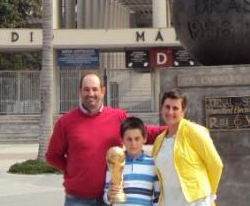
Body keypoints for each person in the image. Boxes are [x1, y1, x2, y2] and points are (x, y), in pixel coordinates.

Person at [46, 72, 164, 206]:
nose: (90, 93)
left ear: (103, 91)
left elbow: (141, 132)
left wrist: (174, 129)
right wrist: (74, 170)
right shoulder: (65, 122)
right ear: (80, 91)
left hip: (111, 198)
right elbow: (52, 156)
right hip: (78, 199)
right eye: (86, 89)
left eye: (95, 89)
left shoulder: (118, 116)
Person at [152, 89, 223, 206]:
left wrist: (210, 194)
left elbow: (215, 164)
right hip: (168, 201)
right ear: (161, 108)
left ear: (183, 111)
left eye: (175, 108)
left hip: (195, 201)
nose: (170, 112)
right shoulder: (159, 140)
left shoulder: (194, 131)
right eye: (167, 107)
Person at [103, 117, 159, 206]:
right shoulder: (115, 162)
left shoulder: (153, 164)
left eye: (137, 139)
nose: (133, 144)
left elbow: (158, 198)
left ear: (144, 138)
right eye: (129, 139)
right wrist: (109, 195)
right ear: (122, 140)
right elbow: (106, 196)